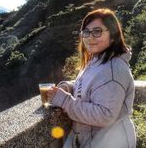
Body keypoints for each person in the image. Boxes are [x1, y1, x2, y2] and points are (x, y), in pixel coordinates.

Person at [47, 8, 136, 148]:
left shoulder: (113, 70)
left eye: (97, 31)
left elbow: (105, 115)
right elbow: (91, 86)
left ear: (113, 35)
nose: (90, 37)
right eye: (86, 32)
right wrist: (68, 87)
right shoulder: (98, 60)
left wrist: (65, 101)